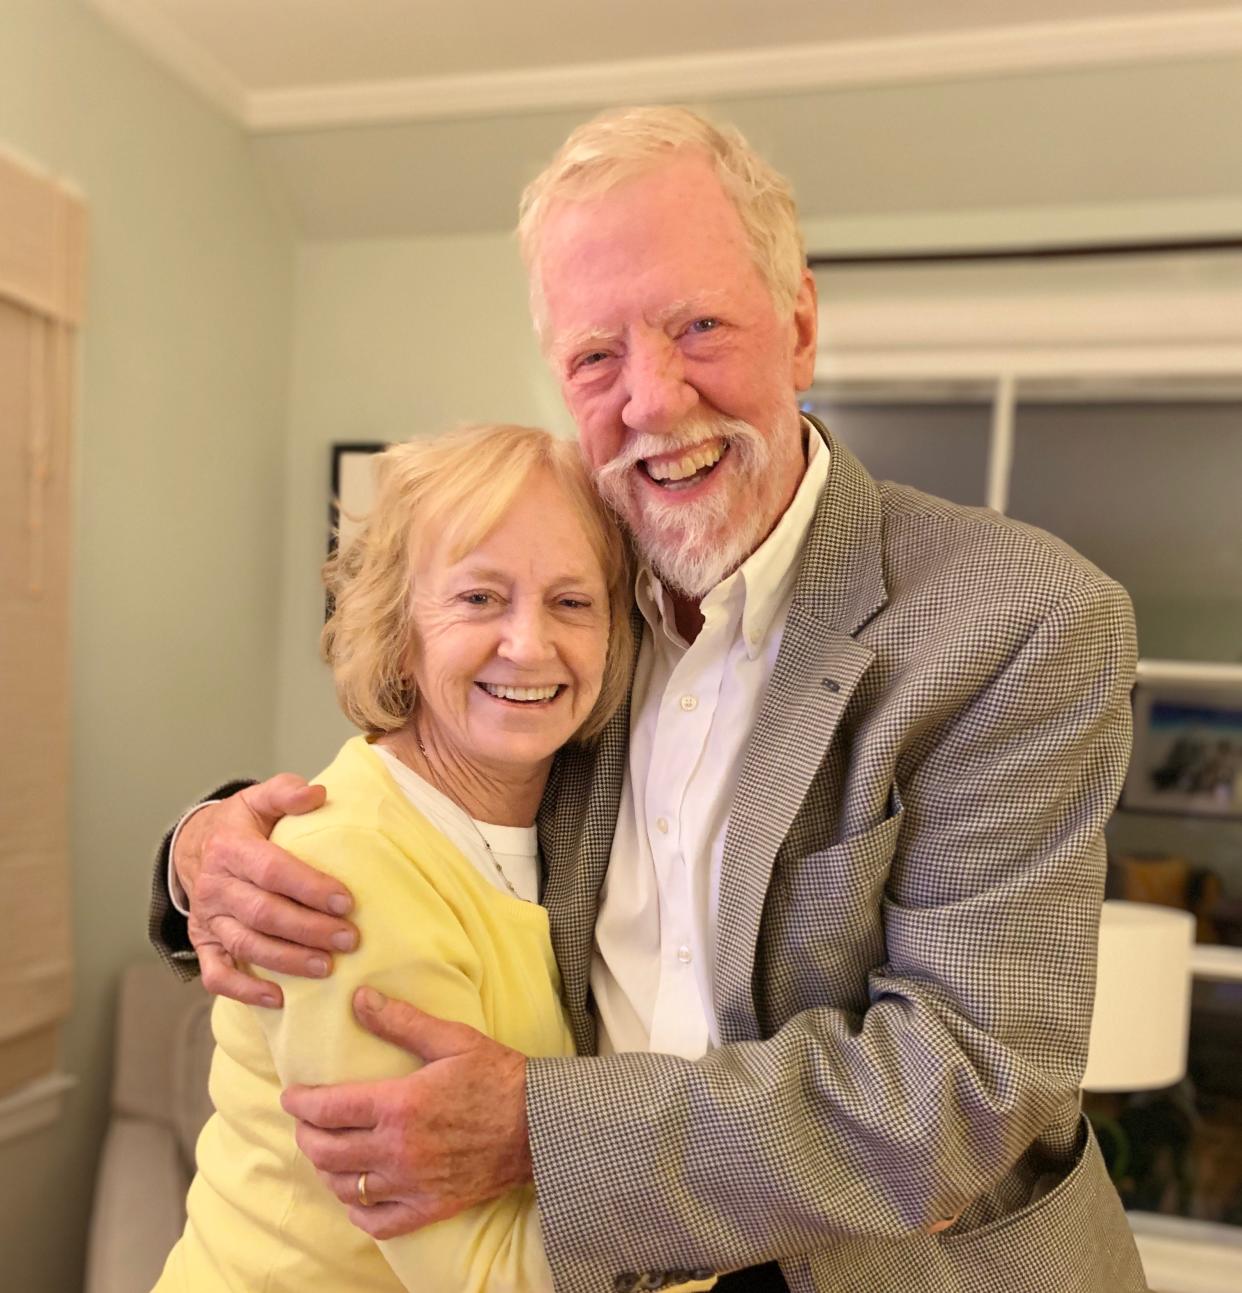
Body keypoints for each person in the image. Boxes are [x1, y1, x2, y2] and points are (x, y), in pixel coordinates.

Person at [151, 108, 1147, 1293]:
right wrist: (199, 847)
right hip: (600, 1261)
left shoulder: (1018, 618)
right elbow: (414, 795)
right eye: (594, 357)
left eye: (699, 326)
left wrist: (537, 1125)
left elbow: (967, 1080)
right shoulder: (579, 595)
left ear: (801, 325)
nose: (655, 400)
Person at [153, 423, 714, 1292]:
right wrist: (789, 1204)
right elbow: (484, 1275)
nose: (529, 644)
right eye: (480, 598)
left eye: (572, 602)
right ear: (400, 626)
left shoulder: (568, 813)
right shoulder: (343, 875)